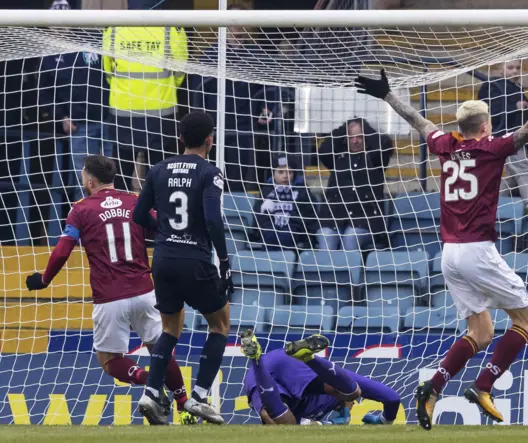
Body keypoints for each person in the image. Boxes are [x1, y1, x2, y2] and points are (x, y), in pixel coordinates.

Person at [355, 69, 528, 429]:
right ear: (486, 126)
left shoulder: (445, 145)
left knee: (482, 333)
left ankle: (432, 386)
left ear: (460, 126)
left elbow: (419, 120)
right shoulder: (492, 149)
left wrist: (387, 95)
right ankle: (483, 385)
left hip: (449, 255)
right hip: (477, 250)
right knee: (527, 320)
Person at [23, 155, 194, 424]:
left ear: (90, 180)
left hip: (110, 296)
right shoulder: (135, 200)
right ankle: (185, 404)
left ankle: (150, 383)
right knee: (160, 349)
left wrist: (44, 280)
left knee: (109, 360)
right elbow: (163, 227)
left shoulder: (80, 209)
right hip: (145, 291)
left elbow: (62, 251)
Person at [132, 111, 233, 425]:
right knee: (220, 326)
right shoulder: (209, 171)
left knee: (169, 329)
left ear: (180, 138)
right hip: (195, 258)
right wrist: (225, 261)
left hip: (162, 259)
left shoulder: (158, 170)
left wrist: (163, 228)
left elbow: (138, 215)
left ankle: (150, 392)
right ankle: (200, 398)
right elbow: (213, 220)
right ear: (209, 140)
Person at [190, 4, 277, 192]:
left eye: (242, 21)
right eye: (233, 20)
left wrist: (268, 108)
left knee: (237, 179)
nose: (237, 25)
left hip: (243, 128)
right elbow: (198, 92)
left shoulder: (257, 56)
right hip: (214, 129)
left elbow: (271, 88)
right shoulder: (210, 56)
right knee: (212, 179)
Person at [102, 7, 187, 193]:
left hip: (123, 112)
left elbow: (108, 71)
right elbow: (180, 70)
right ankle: (157, 218)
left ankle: (120, 218)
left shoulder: (114, 28)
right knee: (160, 178)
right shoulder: (170, 28)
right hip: (161, 112)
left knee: (120, 178)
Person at [240, 330, 401, 425]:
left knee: (353, 391)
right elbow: (392, 398)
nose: (352, 405)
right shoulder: (333, 380)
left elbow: (392, 398)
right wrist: (383, 421)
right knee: (284, 424)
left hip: (287, 359)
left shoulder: (333, 378)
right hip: (283, 366)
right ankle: (257, 360)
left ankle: (260, 359)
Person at [40, 1, 112, 202]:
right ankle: (87, 228)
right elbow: (44, 94)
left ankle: (113, 224)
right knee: (86, 181)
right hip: (79, 126)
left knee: (115, 176)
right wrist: (61, 117)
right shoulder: (47, 56)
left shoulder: (91, 42)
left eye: (65, 20)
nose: (61, 25)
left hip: (110, 120)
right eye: (56, 21)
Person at [316, 118, 392, 251]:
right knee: (326, 235)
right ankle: (327, 271)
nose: (355, 141)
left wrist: (365, 126)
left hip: (364, 220)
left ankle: (349, 272)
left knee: (351, 237)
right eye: (351, 137)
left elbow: (385, 145)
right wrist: (345, 127)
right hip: (334, 218)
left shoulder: (374, 159)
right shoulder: (339, 158)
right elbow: (323, 150)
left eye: (360, 137)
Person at [477, 61, 528, 200]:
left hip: (517, 136)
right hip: (502, 136)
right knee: (522, 171)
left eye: (517, 68)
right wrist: (514, 107)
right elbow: (488, 110)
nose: (515, 71)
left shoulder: (517, 88)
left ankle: (494, 204)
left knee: (512, 177)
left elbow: (525, 108)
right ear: (500, 69)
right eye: (510, 68)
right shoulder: (492, 86)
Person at [251, 155, 318, 250]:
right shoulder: (266, 190)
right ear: (273, 173)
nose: (285, 176)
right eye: (280, 172)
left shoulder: (302, 190)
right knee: (270, 235)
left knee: (285, 235)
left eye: (289, 172)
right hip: (270, 228)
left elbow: (309, 216)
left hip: (294, 230)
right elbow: (258, 215)